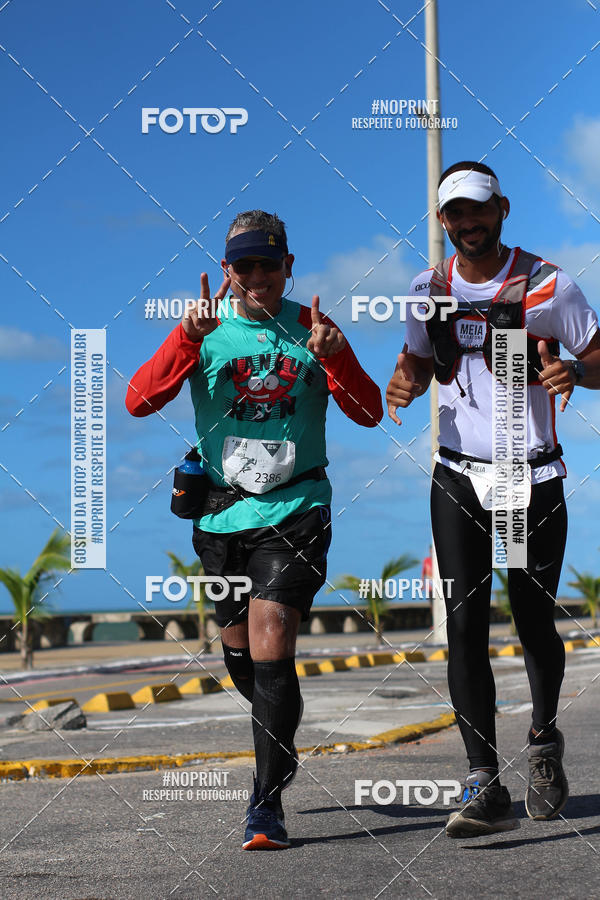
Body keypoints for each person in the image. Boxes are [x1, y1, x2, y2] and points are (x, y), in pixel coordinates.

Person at [126, 210, 383, 849]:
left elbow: (369, 412)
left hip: (296, 509)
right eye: (245, 266)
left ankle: (264, 804)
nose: (258, 276)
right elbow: (138, 401)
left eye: (269, 264)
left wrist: (337, 357)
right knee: (242, 658)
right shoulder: (205, 331)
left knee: (272, 641)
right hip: (221, 517)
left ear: (288, 267)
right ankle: (281, 743)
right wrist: (185, 340)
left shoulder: (316, 330)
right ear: (228, 271)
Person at [386, 162, 600, 838]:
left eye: (479, 209)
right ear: (442, 220)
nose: (468, 222)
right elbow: (418, 359)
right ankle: (483, 780)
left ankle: (542, 741)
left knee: (533, 621)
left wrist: (576, 370)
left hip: (528, 477)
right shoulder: (427, 289)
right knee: (465, 625)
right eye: (456, 213)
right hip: (457, 475)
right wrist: (403, 380)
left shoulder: (549, 285)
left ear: (502, 209)